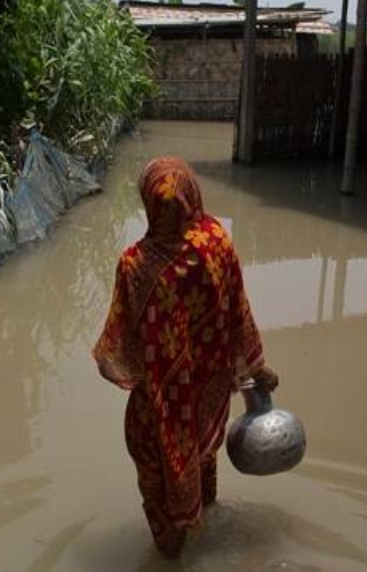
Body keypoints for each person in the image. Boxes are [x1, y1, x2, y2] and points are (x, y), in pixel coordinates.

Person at [93, 156, 278, 558]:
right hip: (208, 396)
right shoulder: (218, 243)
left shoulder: (135, 265)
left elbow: (118, 350)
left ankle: (171, 555)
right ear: (193, 192)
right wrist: (258, 371)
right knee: (203, 457)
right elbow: (239, 317)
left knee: (161, 484)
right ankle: (203, 528)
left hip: (161, 411)